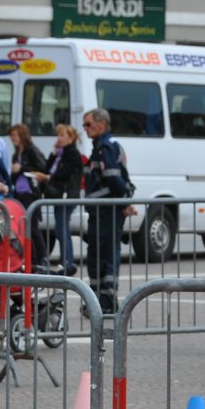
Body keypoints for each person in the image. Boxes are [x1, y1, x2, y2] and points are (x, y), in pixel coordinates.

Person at [81, 107, 133, 313]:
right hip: (101, 210)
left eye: (88, 124)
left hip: (106, 211)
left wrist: (123, 201)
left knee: (105, 256)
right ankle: (97, 300)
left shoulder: (105, 147)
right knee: (97, 255)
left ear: (101, 125)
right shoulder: (102, 146)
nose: (85, 128)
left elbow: (114, 179)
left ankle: (106, 301)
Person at [7, 123, 52, 270]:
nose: (12, 138)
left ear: (22, 136)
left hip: (31, 194)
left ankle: (42, 257)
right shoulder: (16, 154)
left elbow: (41, 167)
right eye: (11, 136)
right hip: (19, 193)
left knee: (32, 227)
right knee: (24, 227)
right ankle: (31, 257)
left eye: (15, 135)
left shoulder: (31, 150)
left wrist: (22, 169)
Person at [43, 122, 84, 275]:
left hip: (67, 194)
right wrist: (53, 153)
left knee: (62, 227)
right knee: (60, 227)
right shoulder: (61, 153)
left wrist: (48, 177)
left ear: (71, 137)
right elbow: (48, 168)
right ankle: (65, 260)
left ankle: (67, 261)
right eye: (58, 135)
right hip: (58, 194)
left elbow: (63, 173)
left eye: (62, 135)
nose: (58, 138)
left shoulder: (72, 153)